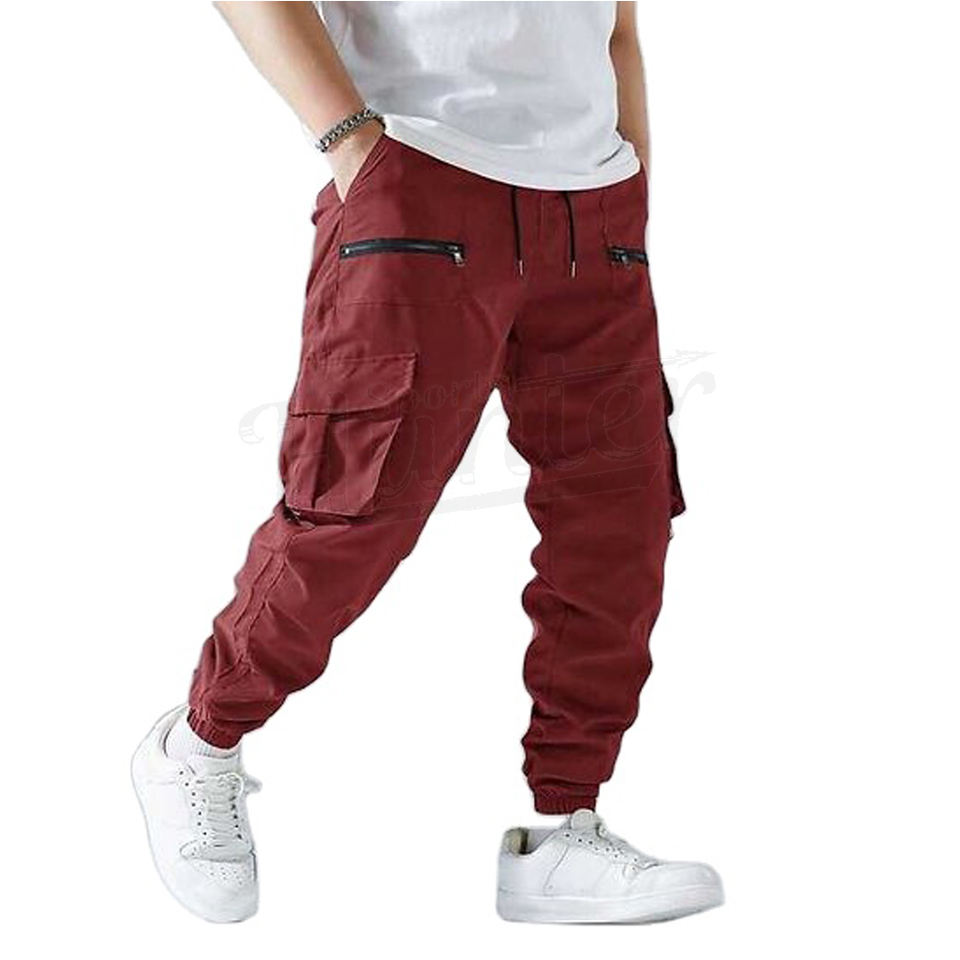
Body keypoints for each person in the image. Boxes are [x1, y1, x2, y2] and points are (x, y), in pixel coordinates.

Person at [132, 0, 722, 925]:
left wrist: (631, 178)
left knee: (620, 526)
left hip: (596, 207)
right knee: (356, 511)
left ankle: (563, 830)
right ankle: (200, 742)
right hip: (421, 179)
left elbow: (617, 26)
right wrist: (352, 144)